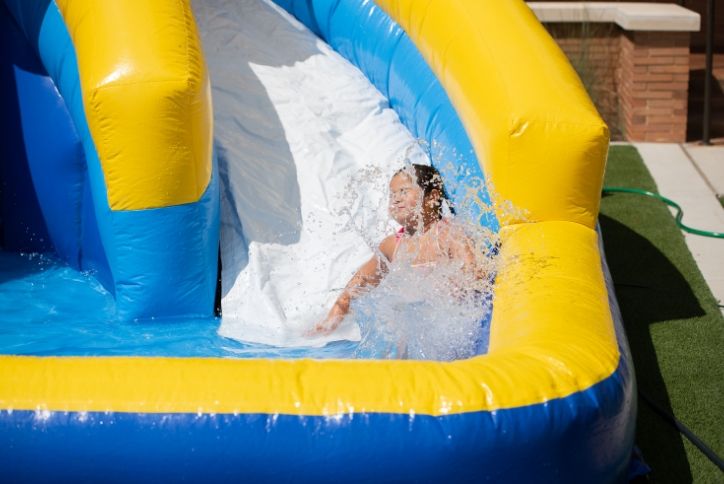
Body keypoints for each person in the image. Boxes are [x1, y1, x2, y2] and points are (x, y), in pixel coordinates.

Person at [307, 163, 486, 338]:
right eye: (392, 194)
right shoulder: (392, 245)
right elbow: (358, 285)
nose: (396, 199)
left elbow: (476, 275)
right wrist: (333, 318)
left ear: (432, 197)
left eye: (404, 191)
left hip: (448, 329)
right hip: (412, 332)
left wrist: (453, 286)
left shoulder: (449, 234)